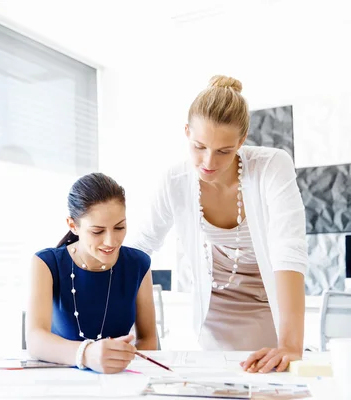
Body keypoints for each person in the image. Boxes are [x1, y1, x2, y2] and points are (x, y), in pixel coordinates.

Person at [132, 75, 307, 373]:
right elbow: (138, 250)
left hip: (270, 300)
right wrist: (145, 337)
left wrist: (291, 345)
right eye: (198, 146)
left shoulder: (272, 166)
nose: (208, 162)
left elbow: (288, 248)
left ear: (241, 140)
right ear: (186, 132)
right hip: (216, 308)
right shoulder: (174, 181)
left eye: (224, 151)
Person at [25, 172, 158, 374]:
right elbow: (35, 340)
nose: (111, 241)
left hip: (118, 378)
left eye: (119, 227)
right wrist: (87, 354)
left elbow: (148, 339)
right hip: (61, 380)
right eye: (97, 231)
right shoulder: (46, 263)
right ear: (73, 226)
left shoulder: (138, 264)